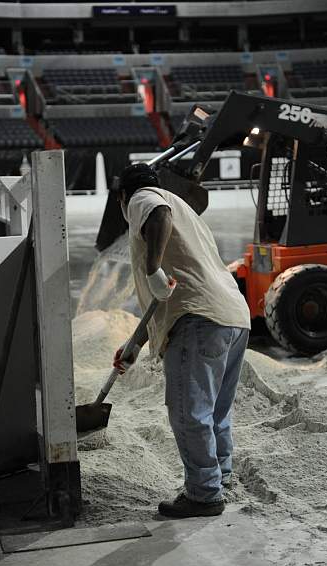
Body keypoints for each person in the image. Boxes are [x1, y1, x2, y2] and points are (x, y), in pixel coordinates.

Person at [113, 163, 251, 519]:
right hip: (232, 316)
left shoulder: (145, 199)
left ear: (123, 197)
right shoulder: (183, 207)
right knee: (215, 411)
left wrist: (151, 268)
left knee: (189, 414)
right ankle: (220, 477)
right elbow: (162, 298)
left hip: (198, 321)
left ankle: (204, 494)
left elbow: (156, 216)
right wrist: (135, 343)